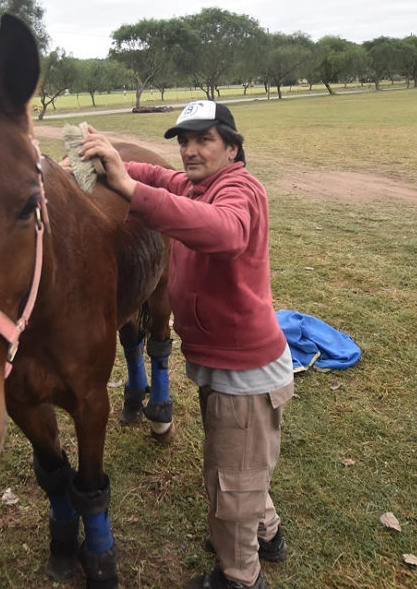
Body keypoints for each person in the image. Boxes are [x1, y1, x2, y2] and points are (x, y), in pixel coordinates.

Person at [74, 100, 293, 589]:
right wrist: (111, 160)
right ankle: (268, 534)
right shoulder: (198, 185)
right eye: (184, 140)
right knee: (241, 465)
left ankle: (239, 576)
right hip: (226, 367)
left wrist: (130, 190)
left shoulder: (239, 190)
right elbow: (157, 174)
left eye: (204, 139)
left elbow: (225, 231)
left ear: (232, 148)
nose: (190, 151)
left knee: (229, 481)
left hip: (246, 375)